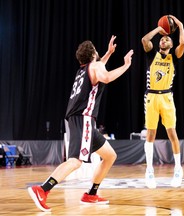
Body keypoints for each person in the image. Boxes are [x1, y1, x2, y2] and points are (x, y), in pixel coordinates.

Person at [27, 36, 133, 212]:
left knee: (110, 155)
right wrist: (126, 65)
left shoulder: (83, 70)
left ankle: (91, 193)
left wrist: (108, 53)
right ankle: (42, 190)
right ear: (93, 54)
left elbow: (98, 68)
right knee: (76, 161)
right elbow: (105, 77)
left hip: (81, 119)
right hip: (84, 118)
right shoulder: (95, 67)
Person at [141, 15, 184, 188]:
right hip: (151, 97)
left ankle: (178, 169)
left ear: (171, 44)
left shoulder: (174, 56)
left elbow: (182, 44)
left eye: (167, 38)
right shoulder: (152, 54)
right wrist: (158, 30)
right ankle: (150, 170)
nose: (163, 40)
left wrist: (181, 26)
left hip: (167, 97)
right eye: (162, 38)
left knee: (172, 133)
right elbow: (144, 40)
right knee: (151, 134)